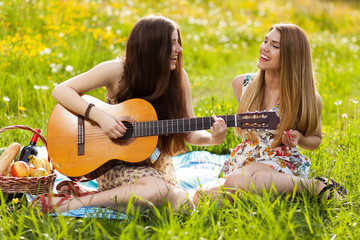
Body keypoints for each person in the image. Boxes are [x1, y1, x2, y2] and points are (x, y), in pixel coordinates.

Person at [32, 15, 227, 213]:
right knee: (159, 192)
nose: (179, 50)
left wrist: (213, 138)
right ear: (152, 47)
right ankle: (70, 204)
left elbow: (189, 132)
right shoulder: (118, 71)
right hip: (113, 165)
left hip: (155, 165)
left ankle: (86, 194)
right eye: (172, 44)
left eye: (178, 43)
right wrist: (101, 117)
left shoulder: (179, 77)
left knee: (183, 207)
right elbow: (61, 90)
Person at [193, 23, 347, 204]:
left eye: (274, 46)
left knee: (236, 182)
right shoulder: (242, 85)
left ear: (292, 56)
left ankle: (314, 186)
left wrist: (299, 138)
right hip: (246, 159)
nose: (264, 48)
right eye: (265, 41)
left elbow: (315, 140)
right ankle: (275, 196)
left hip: (280, 161)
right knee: (200, 197)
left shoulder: (307, 97)